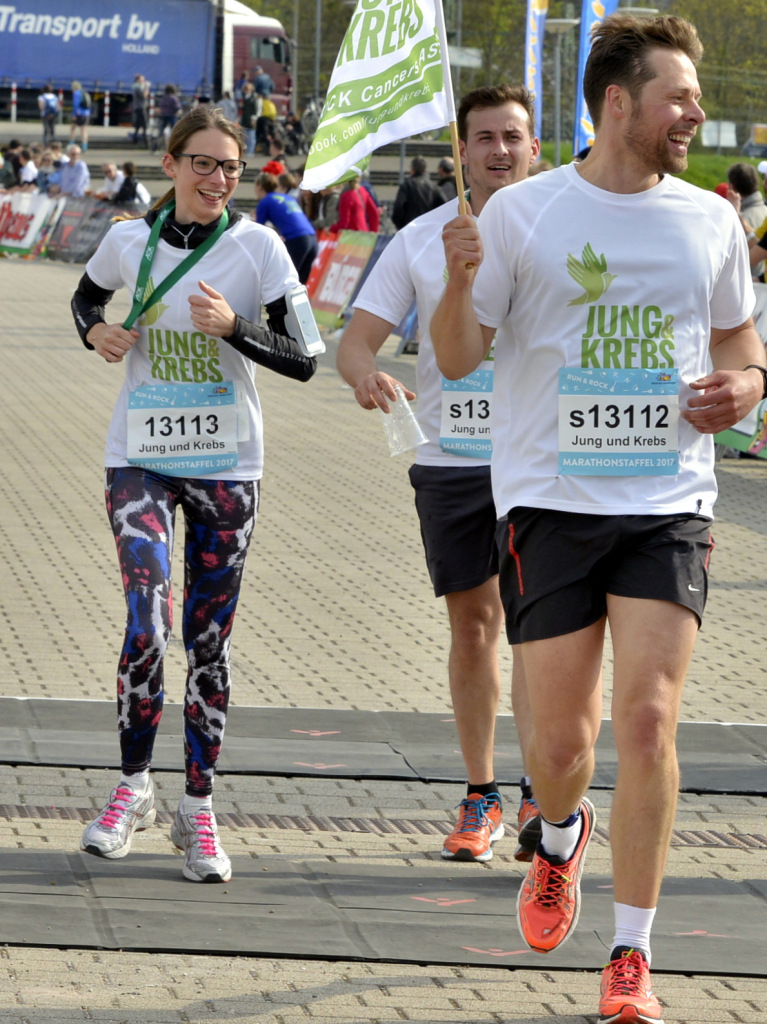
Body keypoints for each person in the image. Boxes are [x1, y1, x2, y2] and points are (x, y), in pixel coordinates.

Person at [431, 15, 766, 1022]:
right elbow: (454, 356)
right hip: (549, 501)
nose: (694, 112)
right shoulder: (524, 214)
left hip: (665, 501)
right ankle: (559, 835)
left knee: (651, 717)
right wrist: (455, 276)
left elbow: (743, 348)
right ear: (617, 102)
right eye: (678, 95)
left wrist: (744, 389)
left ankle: (630, 952)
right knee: (561, 749)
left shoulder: (707, 220)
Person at [70, 105, 318, 884]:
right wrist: (94, 333)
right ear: (171, 166)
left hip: (227, 467)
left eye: (230, 168)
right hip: (139, 458)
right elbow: (84, 301)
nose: (217, 180)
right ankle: (132, 789)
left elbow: (307, 358)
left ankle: (198, 809)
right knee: (145, 622)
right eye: (203, 164)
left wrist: (236, 327)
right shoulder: (126, 240)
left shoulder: (258, 246)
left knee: (206, 641)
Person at [337, 84, 544, 865]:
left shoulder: (563, 226)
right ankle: (481, 794)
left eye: (512, 137)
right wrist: (366, 377)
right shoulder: (422, 238)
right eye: (483, 137)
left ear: (534, 149)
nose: (497, 151)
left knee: (541, 633)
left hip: (546, 467)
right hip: (451, 462)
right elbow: (356, 343)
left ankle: (541, 794)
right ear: (460, 150)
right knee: (475, 628)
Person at [255, 170, 318, 283]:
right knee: (300, 282)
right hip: (312, 238)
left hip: (297, 240)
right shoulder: (286, 197)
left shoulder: (265, 202)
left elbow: (258, 230)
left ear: (259, 186)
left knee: (285, 280)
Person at [391, 156, 444, 229]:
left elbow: (398, 208)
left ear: (412, 169)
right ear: (425, 170)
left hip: (410, 228)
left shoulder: (407, 186)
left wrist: (401, 226)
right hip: (428, 229)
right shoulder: (435, 188)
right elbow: (444, 207)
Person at [70, 80, 91, 150]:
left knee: (73, 128)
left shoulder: (76, 93)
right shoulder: (85, 92)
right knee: (84, 130)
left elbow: (76, 104)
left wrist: (74, 114)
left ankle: (71, 144)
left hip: (79, 114)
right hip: (86, 114)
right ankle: (84, 146)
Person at [239, 82, 258, 155]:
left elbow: (255, 109)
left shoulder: (253, 97)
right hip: (244, 118)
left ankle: (251, 152)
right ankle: (245, 152)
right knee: (244, 137)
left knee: (251, 137)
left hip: (251, 118)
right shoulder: (243, 97)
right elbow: (241, 109)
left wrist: (253, 119)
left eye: (249, 89)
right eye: (246, 89)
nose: (247, 90)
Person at [132, 74, 150, 147]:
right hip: (140, 108)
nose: (143, 81)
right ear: (138, 80)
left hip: (138, 107)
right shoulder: (137, 87)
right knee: (144, 124)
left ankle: (135, 139)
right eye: (142, 79)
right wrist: (147, 87)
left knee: (138, 124)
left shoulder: (136, 87)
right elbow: (144, 95)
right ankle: (145, 141)